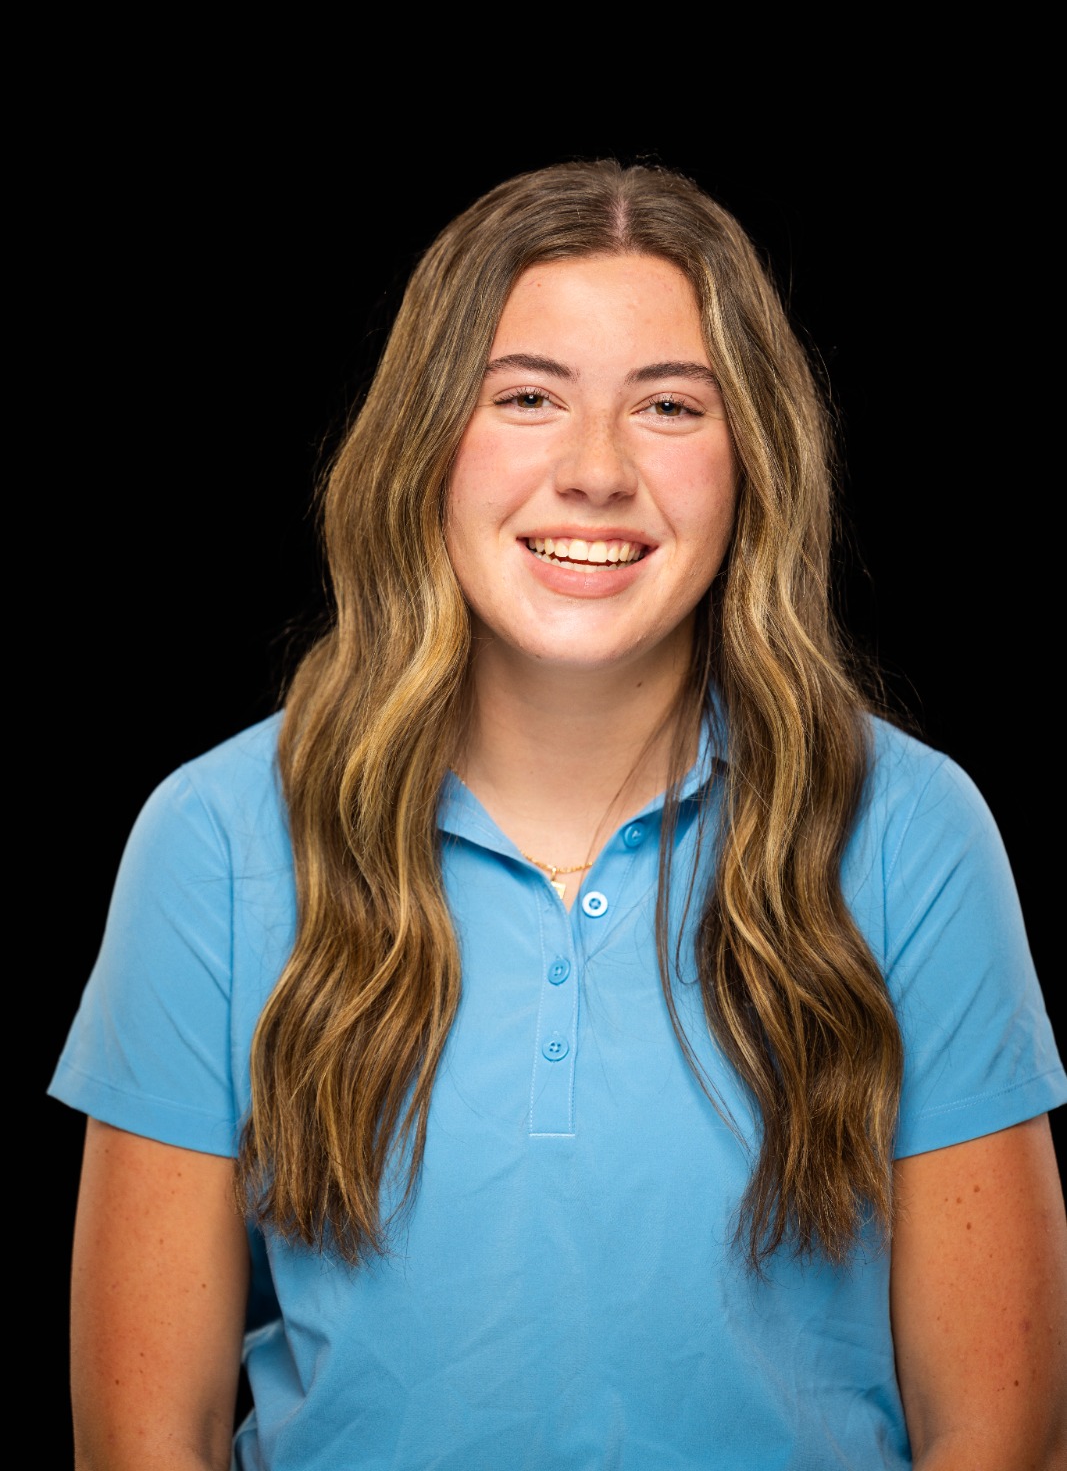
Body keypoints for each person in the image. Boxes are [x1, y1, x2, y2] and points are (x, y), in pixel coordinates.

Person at [51, 158, 1067, 1471]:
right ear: (427, 441)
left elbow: (1003, 1439)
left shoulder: (912, 834)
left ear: (752, 457)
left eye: (669, 407)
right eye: (526, 397)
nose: (596, 471)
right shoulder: (214, 841)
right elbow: (144, 1443)